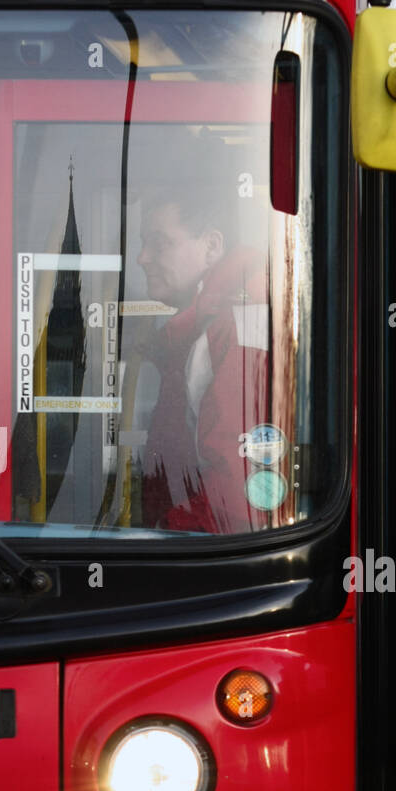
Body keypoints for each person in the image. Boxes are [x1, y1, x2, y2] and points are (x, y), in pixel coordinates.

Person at [136, 185, 269, 534]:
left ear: (212, 246)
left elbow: (235, 490)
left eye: (159, 242)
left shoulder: (236, 325)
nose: (142, 257)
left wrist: (169, 538)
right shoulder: (217, 323)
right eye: (143, 243)